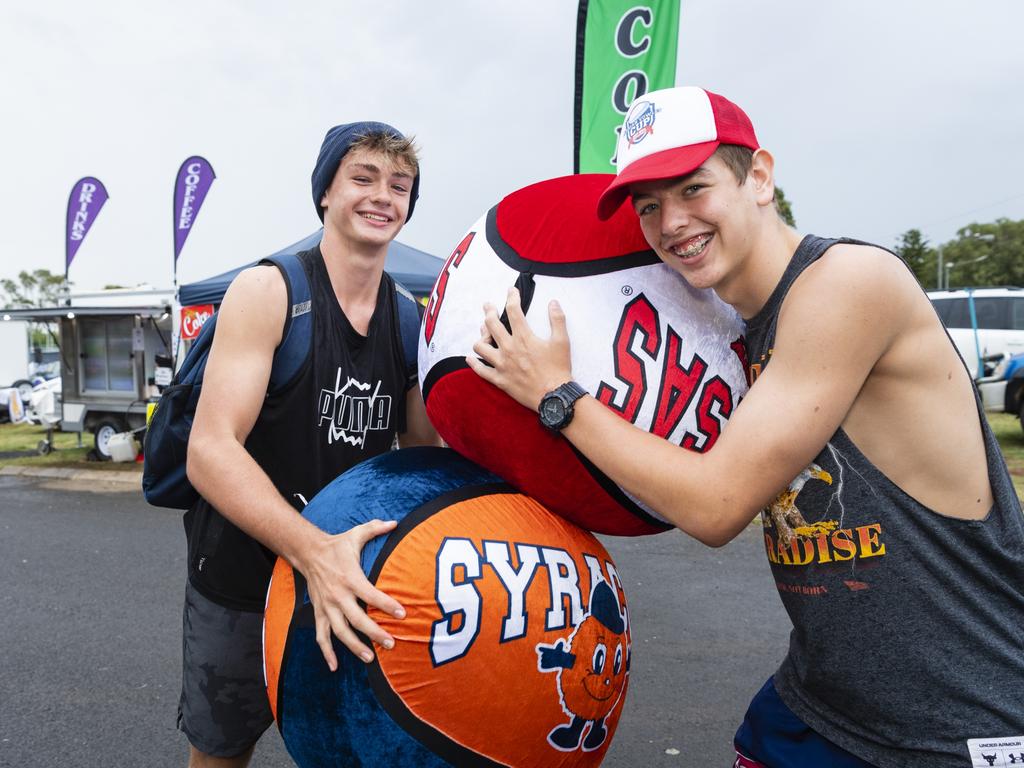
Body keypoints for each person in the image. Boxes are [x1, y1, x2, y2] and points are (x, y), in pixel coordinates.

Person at [468, 86, 1024, 767]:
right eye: (649, 207)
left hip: (952, 720)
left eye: (693, 189)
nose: (671, 222)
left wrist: (557, 395)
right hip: (824, 703)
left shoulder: (848, 282)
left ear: (759, 176)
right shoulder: (738, 332)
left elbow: (716, 505)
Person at [180, 122, 441, 767]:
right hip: (246, 574)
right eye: (363, 178)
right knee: (222, 753)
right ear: (326, 192)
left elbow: (427, 449)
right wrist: (312, 552)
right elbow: (211, 451)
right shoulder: (268, 291)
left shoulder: (407, 314)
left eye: (399, 184)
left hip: (352, 576)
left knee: (358, 749)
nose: (383, 195)